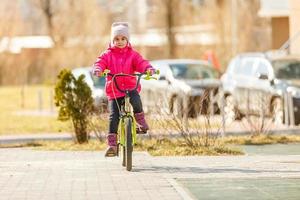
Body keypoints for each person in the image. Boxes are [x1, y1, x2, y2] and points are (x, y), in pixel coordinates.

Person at [92, 22, 155, 157]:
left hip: (130, 86)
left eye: (123, 39)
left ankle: (141, 121)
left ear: (127, 40)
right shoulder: (107, 54)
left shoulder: (133, 54)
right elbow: (100, 63)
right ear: (112, 40)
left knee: (136, 99)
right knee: (113, 116)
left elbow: (141, 63)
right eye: (116, 39)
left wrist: (148, 69)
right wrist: (98, 69)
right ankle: (112, 145)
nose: (120, 42)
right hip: (114, 89)